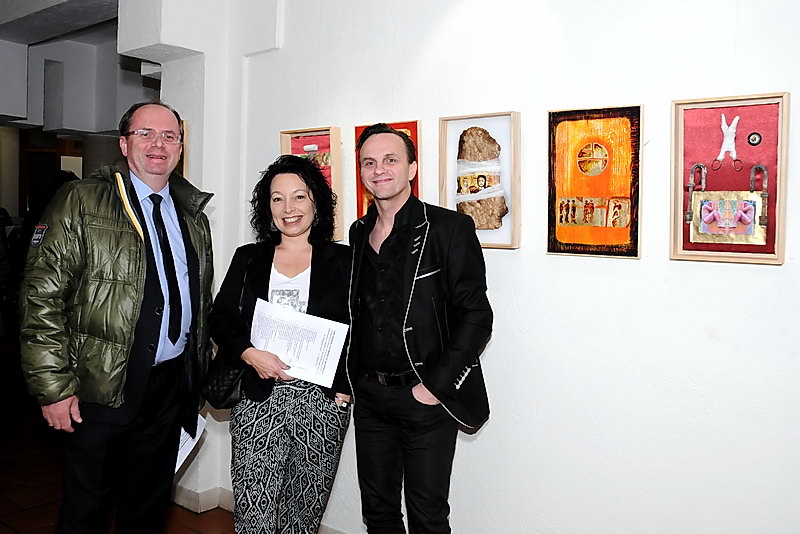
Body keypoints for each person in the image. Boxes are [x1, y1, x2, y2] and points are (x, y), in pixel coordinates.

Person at [18, 101, 214, 533]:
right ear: (124, 144)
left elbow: (198, 301)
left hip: (168, 389)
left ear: (180, 147)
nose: (158, 144)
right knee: (85, 512)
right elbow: (41, 298)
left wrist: (198, 374)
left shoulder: (191, 215)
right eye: (146, 134)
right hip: (101, 385)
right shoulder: (81, 200)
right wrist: (52, 388)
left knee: (147, 508)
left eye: (169, 136)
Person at [347, 123, 493, 533]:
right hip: (370, 398)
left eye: (390, 160)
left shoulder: (448, 228)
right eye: (369, 162)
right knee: (378, 514)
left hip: (424, 395)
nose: (379, 170)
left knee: (427, 517)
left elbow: (477, 316)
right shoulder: (357, 233)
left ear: (412, 168)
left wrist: (434, 387)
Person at [210, 155, 352, 533]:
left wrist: (344, 387)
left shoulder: (344, 260)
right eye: (277, 199)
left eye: (299, 196)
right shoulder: (249, 258)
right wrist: (249, 352)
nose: (288, 208)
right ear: (267, 207)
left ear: (316, 202)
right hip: (258, 394)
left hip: (321, 402)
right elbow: (220, 318)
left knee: (303, 514)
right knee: (253, 510)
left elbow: (362, 328)